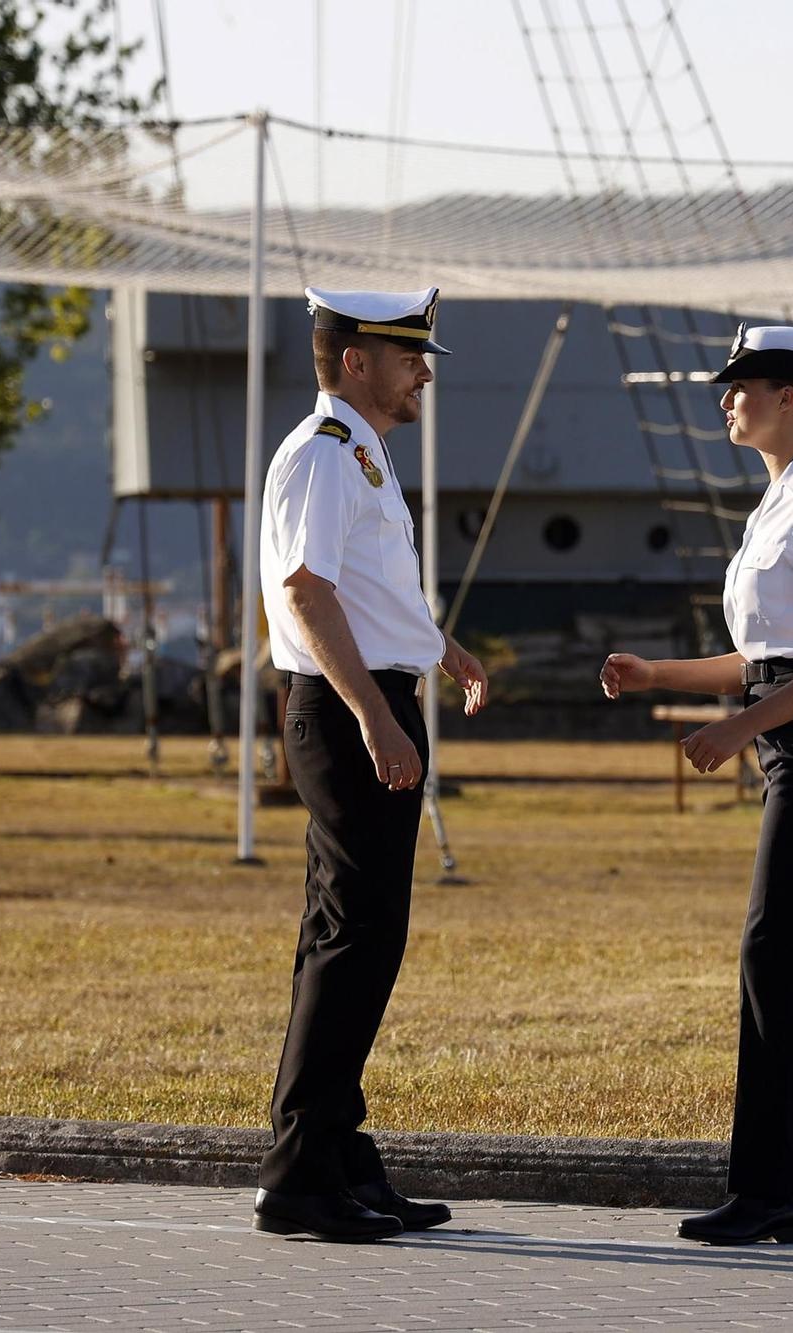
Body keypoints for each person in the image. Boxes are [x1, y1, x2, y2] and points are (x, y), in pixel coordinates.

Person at [600, 325, 793, 1246]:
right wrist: (660, 674)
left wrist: (742, 728)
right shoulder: (776, 504)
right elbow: (764, 656)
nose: (727, 399)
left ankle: (767, 1189)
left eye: (745, 385)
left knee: (774, 949)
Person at [253, 286, 489, 1242]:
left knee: (345, 939)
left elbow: (370, 587)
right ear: (356, 360)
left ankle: (337, 1157)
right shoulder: (322, 454)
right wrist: (374, 720)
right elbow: (306, 594)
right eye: (407, 356)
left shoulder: (359, 450)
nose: (423, 371)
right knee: (357, 941)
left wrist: (441, 648)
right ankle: (300, 1174)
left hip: (377, 699)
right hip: (352, 714)